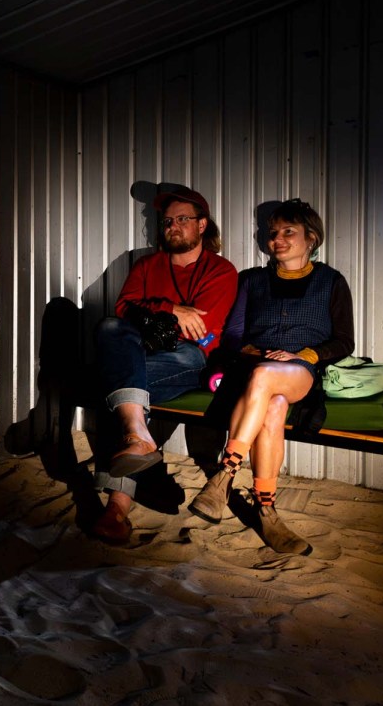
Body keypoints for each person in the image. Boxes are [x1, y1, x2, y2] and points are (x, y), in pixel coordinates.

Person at [187, 199, 354, 555]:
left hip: (300, 372)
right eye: (272, 233)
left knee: (268, 379)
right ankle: (267, 511)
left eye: (288, 232)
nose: (277, 239)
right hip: (254, 371)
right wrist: (255, 352)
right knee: (274, 407)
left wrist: (304, 355)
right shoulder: (252, 280)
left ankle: (224, 476)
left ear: (311, 237)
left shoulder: (331, 282)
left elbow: (344, 341)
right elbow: (233, 335)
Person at [90, 187, 237, 543]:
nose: (173, 226)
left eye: (183, 219)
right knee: (110, 330)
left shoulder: (220, 270)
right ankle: (137, 442)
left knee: (118, 383)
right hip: (142, 353)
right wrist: (172, 310)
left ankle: (118, 505)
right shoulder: (146, 265)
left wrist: (150, 316)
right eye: (168, 221)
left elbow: (198, 329)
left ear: (202, 225)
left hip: (189, 360)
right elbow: (123, 311)